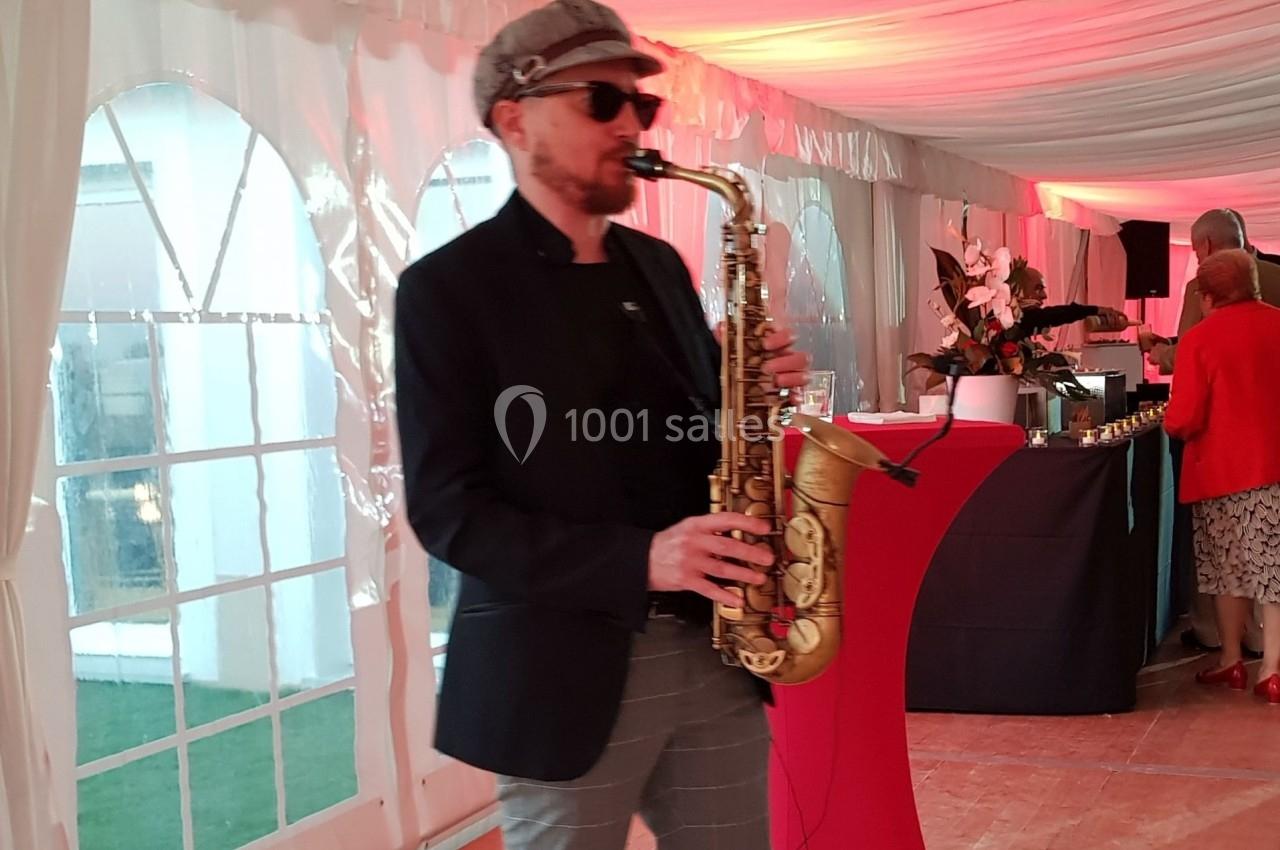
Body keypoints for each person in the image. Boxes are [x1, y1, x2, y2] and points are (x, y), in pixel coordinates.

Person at [393, 2, 810, 847]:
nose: (632, 125)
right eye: (602, 102)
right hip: (556, 676)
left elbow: (678, 435)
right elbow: (448, 511)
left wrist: (739, 392)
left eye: (642, 107)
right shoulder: (448, 290)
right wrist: (641, 560)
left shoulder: (657, 264)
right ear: (515, 120)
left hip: (712, 647)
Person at [1142, 209, 1280, 655]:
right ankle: (1272, 662)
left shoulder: (1201, 315)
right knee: (1271, 562)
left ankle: (1224, 646)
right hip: (1273, 455)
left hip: (1220, 460)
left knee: (1225, 565)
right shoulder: (1276, 285)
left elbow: (1187, 379)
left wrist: (1161, 353)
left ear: (1202, 249)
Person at [1009, 265, 1130, 337]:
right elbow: (1055, 315)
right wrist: (1095, 310)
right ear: (1019, 291)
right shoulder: (1014, 319)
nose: (1044, 296)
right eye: (1038, 289)